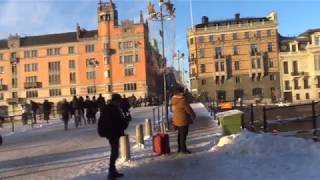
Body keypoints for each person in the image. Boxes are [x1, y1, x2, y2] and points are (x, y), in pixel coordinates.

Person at [100, 93, 128, 179]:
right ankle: (111, 172)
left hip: (113, 133)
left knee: (115, 152)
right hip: (113, 133)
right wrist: (125, 122)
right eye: (119, 101)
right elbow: (115, 122)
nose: (119, 103)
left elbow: (118, 121)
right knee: (114, 152)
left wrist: (125, 121)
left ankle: (113, 171)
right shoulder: (111, 109)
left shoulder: (112, 108)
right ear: (116, 101)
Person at [171, 86, 196, 154]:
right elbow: (188, 110)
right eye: (182, 91)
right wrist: (193, 115)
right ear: (180, 92)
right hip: (183, 120)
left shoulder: (174, 99)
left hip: (176, 120)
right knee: (183, 136)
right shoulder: (182, 100)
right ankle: (183, 150)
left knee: (180, 135)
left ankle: (180, 148)